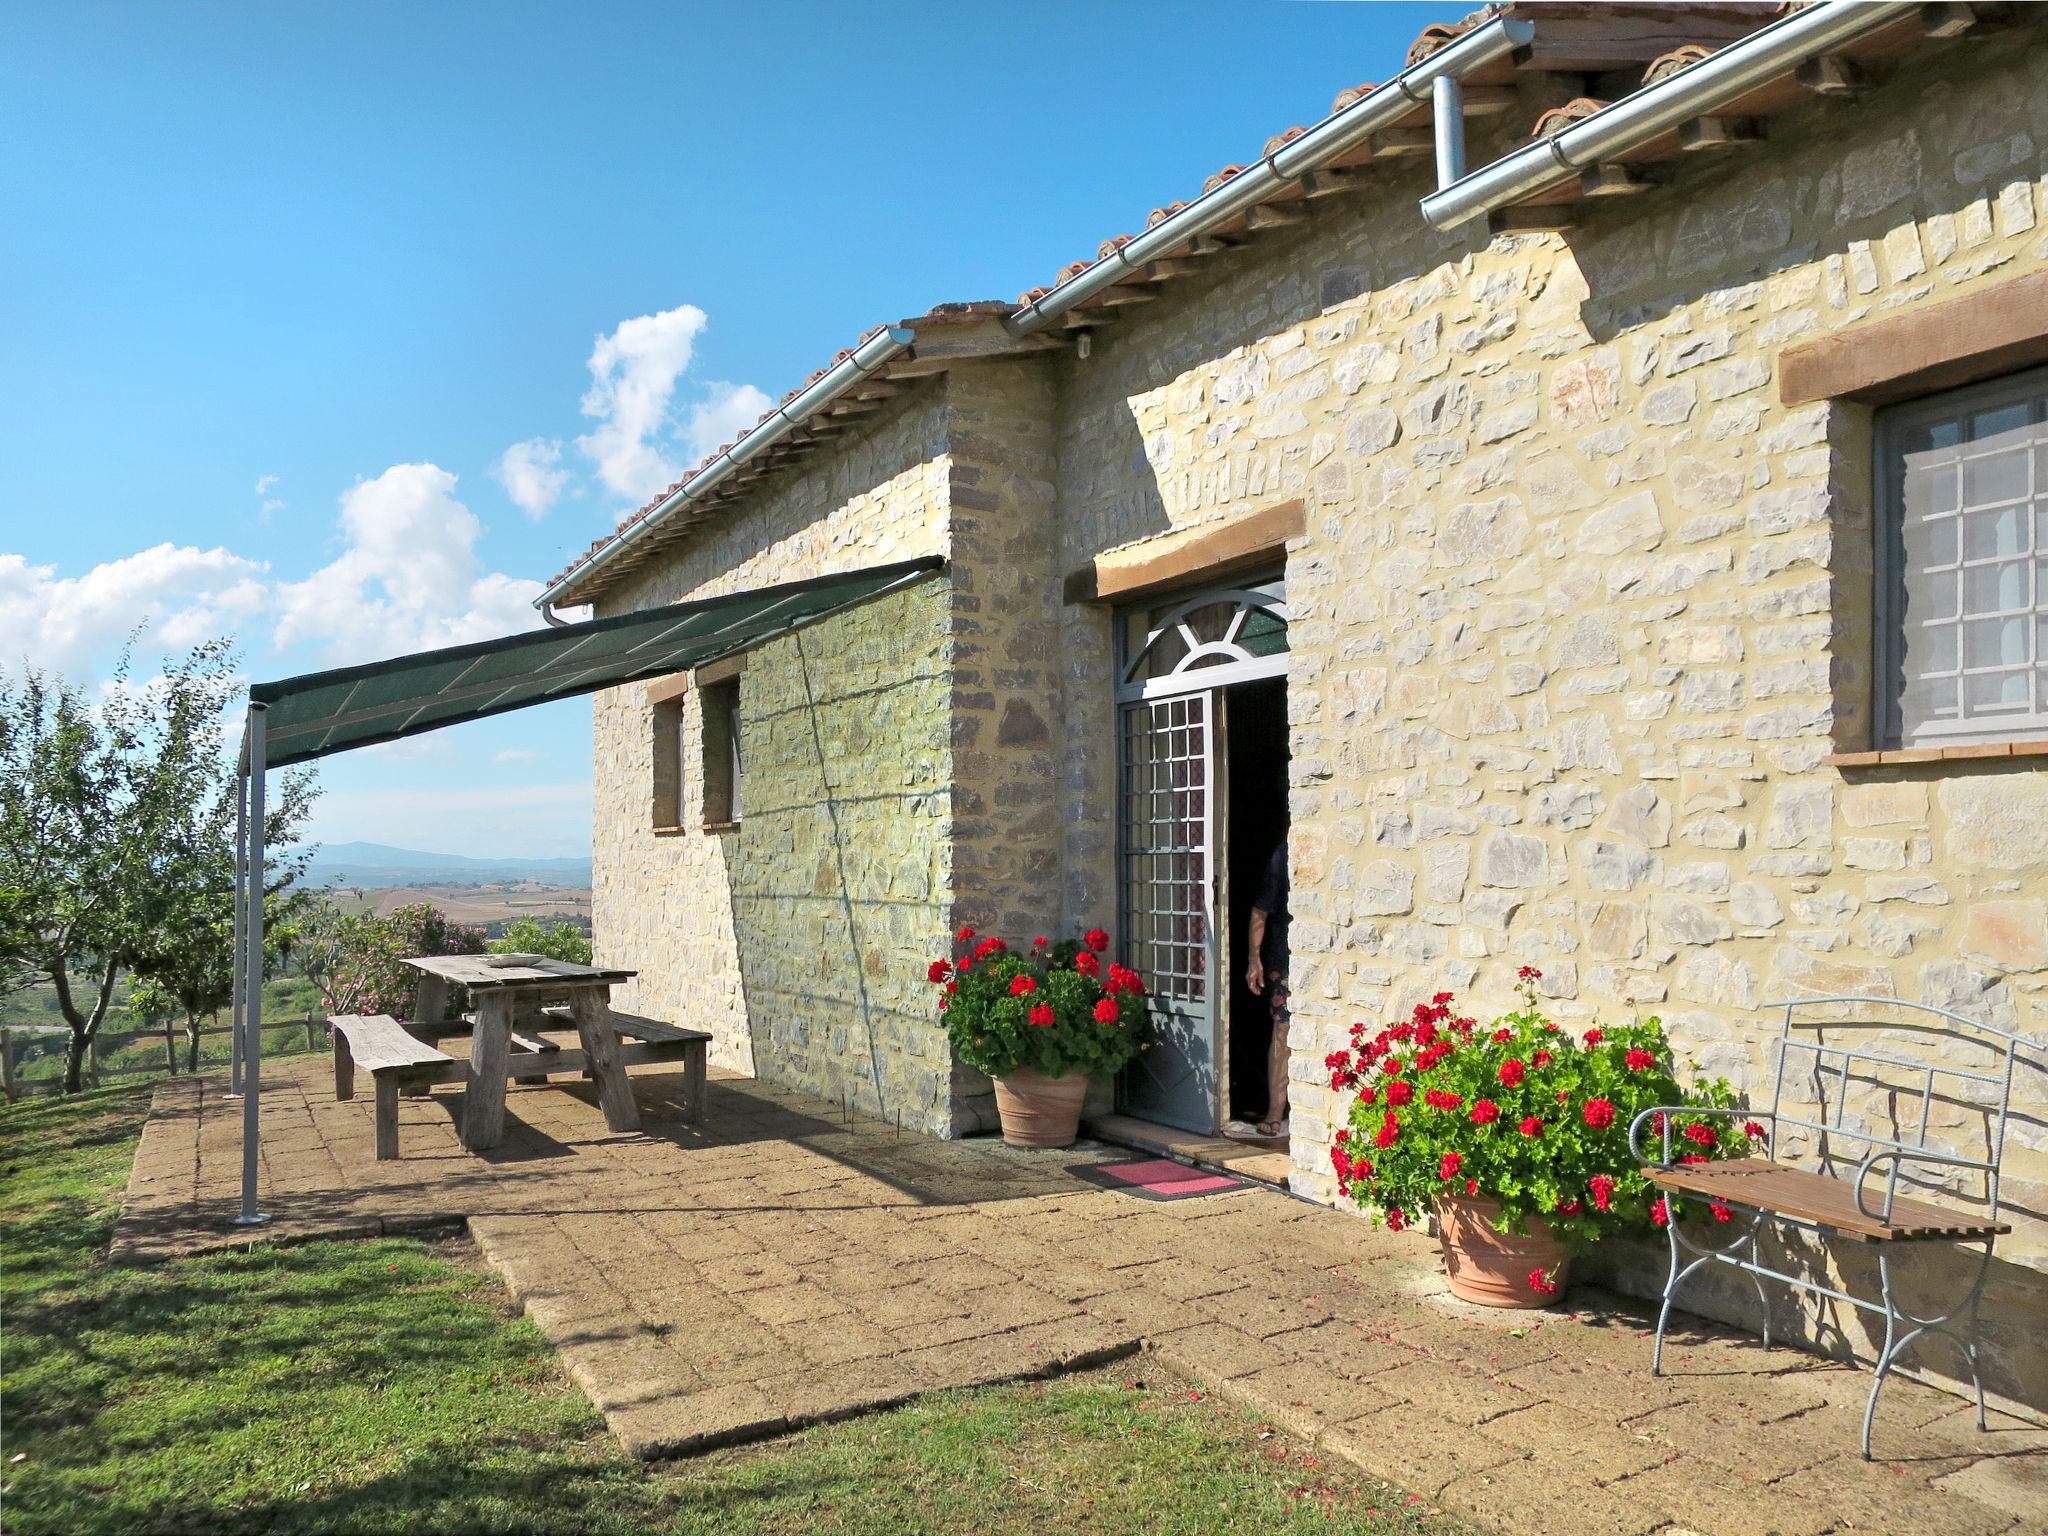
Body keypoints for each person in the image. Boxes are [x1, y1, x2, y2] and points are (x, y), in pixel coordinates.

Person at [1246, 840, 1289, 1139]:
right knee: (1283, 1030)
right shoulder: (1282, 853)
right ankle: (1276, 1110)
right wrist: (1254, 960)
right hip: (1283, 956)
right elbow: (1260, 911)